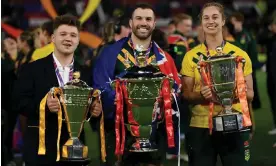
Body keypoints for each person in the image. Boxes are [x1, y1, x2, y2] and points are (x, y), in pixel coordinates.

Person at [92, 3, 181, 166]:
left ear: (154, 24)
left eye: (148, 19)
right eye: (139, 18)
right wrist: (123, 100)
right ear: (131, 23)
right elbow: (100, 88)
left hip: (154, 133)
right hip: (119, 133)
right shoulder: (111, 53)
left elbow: (175, 92)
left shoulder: (164, 58)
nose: (143, 23)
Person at [12, 14, 102, 166]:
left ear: (78, 40)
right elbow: (17, 102)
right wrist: (43, 105)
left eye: (73, 35)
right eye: (63, 34)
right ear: (53, 38)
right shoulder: (32, 69)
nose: (68, 39)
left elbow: (90, 114)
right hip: (42, 152)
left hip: (75, 154)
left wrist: (95, 113)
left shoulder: (86, 72)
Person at [181, 2, 254, 166]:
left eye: (215, 17)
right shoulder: (190, 56)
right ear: (201, 23)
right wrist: (202, 95)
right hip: (201, 126)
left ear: (223, 21)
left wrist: (233, 91)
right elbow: (186, 95)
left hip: (233, 122)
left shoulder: (240, 55)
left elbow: (250, 94)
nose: (210, 21)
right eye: (206, 18)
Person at [230, 12, 261, 110]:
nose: (233, 24)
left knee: (249, 88)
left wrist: (253, 65)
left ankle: (253, 106)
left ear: (240, 22)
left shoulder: (246, 36)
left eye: (234, 22)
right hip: (236, 68)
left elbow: (252, 52)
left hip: (246, 67)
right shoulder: (233, 35)